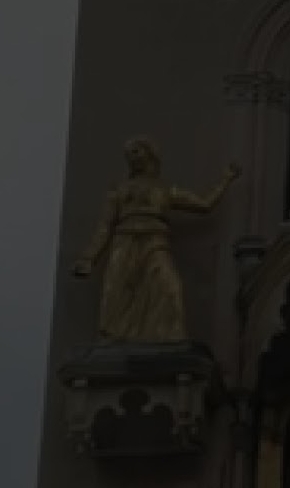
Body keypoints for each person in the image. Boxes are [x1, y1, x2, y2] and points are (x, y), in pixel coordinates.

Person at [73, 138, 240, 342]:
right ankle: (115, 337)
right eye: (129, 154)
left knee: (170, 287)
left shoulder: (165, 189)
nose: (131, 157)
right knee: (117, 292)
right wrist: (89, 258)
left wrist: (226, 179)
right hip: (124, 242)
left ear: (150, 154)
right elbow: (104, 226)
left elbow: (204, 204)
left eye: (136, 151)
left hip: (155, 242)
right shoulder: (118, 190)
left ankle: (170, 338)